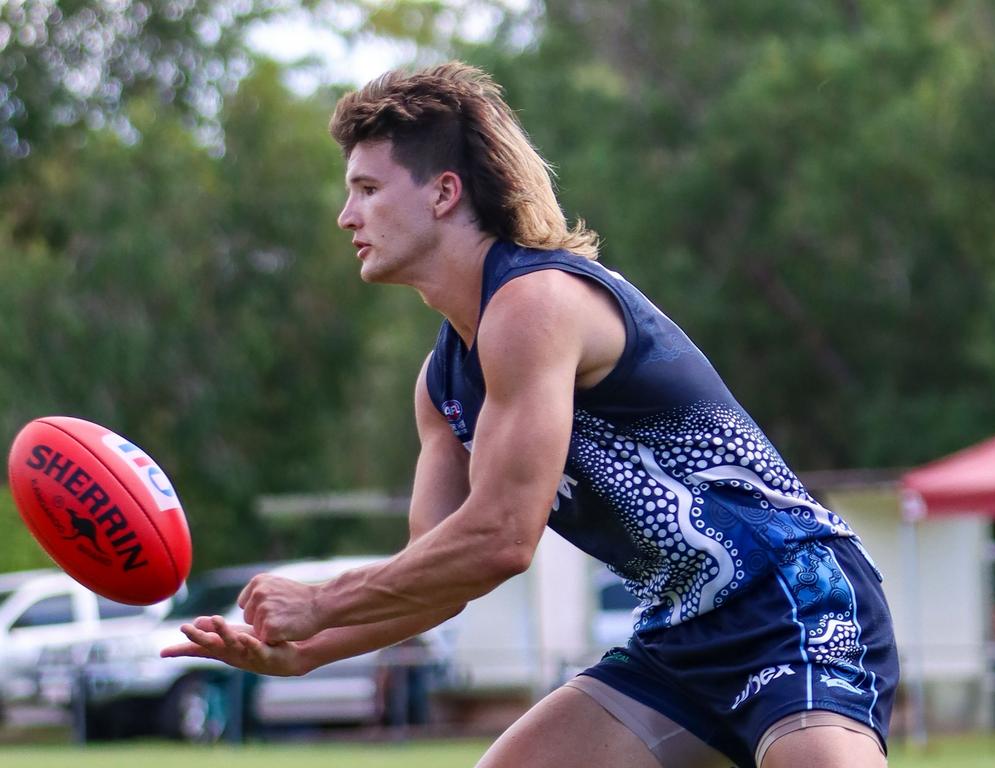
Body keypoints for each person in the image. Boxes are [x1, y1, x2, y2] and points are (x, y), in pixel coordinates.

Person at [162, 62, 898, 768]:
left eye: (367, 188)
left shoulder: (534, 303)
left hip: (794, 600)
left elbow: (503, 539)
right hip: (680, 635)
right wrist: (302, 651)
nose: (345, 214)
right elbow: (442, 577)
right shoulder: (441, 383)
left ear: (444, 192)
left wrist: (321, 601)